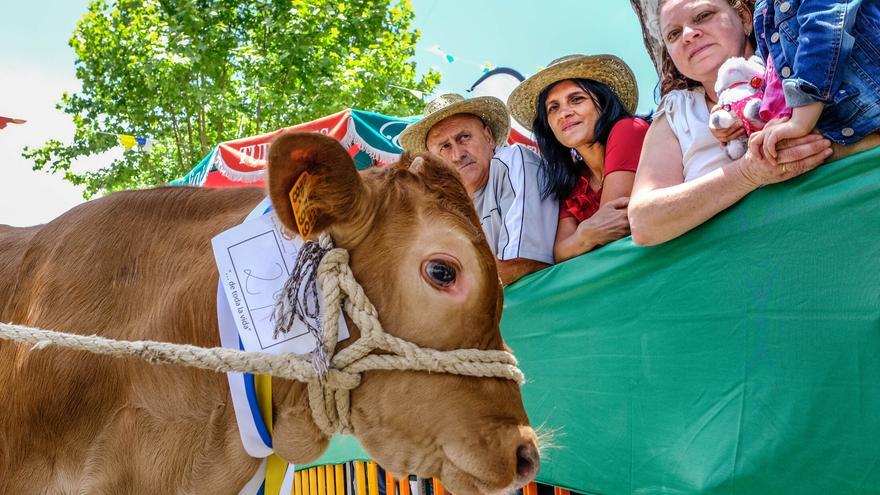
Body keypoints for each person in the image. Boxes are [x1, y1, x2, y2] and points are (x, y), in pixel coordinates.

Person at [628, 0, 834, 246]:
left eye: (703, 16)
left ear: (746, 19)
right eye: (673, 34)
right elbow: (644, 222)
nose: (688, 35)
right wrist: (749, 173)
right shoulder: (676, 112)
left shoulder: (802, 66)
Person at [398, 93, 558, 285]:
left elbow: (524, 263)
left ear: (489, 137)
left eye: (464, 137)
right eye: (445, 147)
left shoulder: (512, 161)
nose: (457, 155)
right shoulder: (445, 204)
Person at [508, 54, 649, 262]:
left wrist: (580, 238)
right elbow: (559, 252)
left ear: (603, 103)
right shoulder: (574, 178)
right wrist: (586, 234)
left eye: (576, 99)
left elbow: (614, 226)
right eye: (553, 107)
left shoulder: (628, 129)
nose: (563, 113)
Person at [714, 0, 880, 164]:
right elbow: (771, 67)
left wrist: (800, 122)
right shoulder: (764, 8)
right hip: (842, 131)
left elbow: (823, 31)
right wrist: (737, 109)